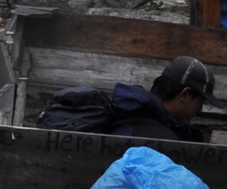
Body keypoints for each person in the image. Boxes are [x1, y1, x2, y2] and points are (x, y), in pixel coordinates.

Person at [36, 55, 212, 141]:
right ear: (185, 95)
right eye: (201, 102)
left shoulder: (133, 114)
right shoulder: (162, 140)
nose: (200, 110)